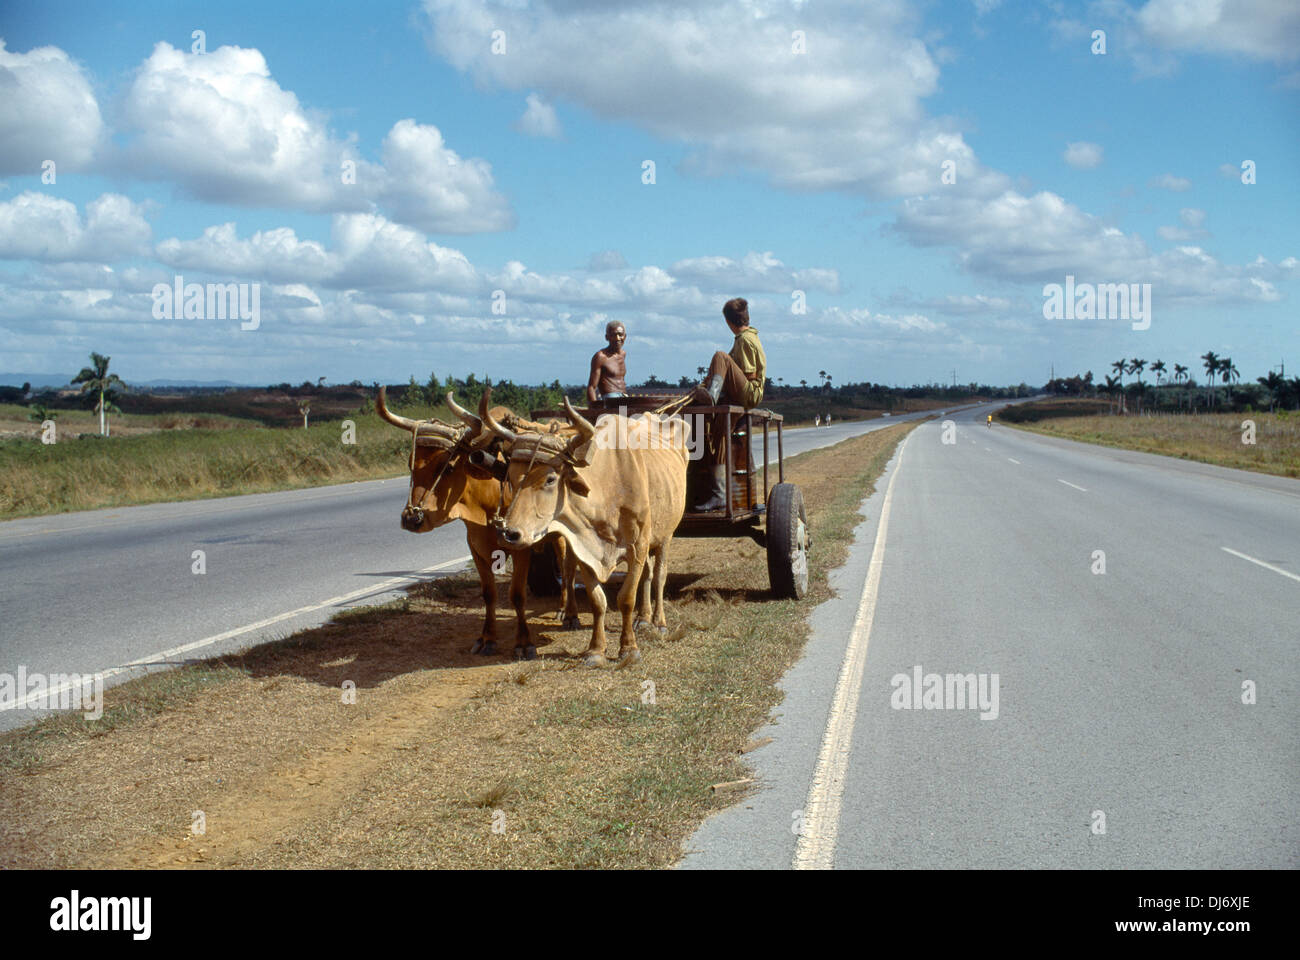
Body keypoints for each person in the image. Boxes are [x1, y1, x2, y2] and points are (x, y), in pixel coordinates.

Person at [691, 298, 767, 510]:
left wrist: (718, 388)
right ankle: (720, 494)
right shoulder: (746, 337)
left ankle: (712, 397)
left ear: (728, 321)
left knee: (720, 357)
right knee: (719, 436)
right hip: (741, 394)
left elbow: (749, 374)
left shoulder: (745, 340)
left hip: (748, 393)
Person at [587, 321, 628, 404]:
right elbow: (591, 387)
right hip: (610, 400)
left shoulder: (623, 354)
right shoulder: (600, 357)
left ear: (625, 336)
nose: (617, 338)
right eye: (613, 335)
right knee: (616, 416)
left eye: (620, 335)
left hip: (624, 399)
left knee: (628, 416)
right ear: (607, 337)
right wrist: (595, 409)